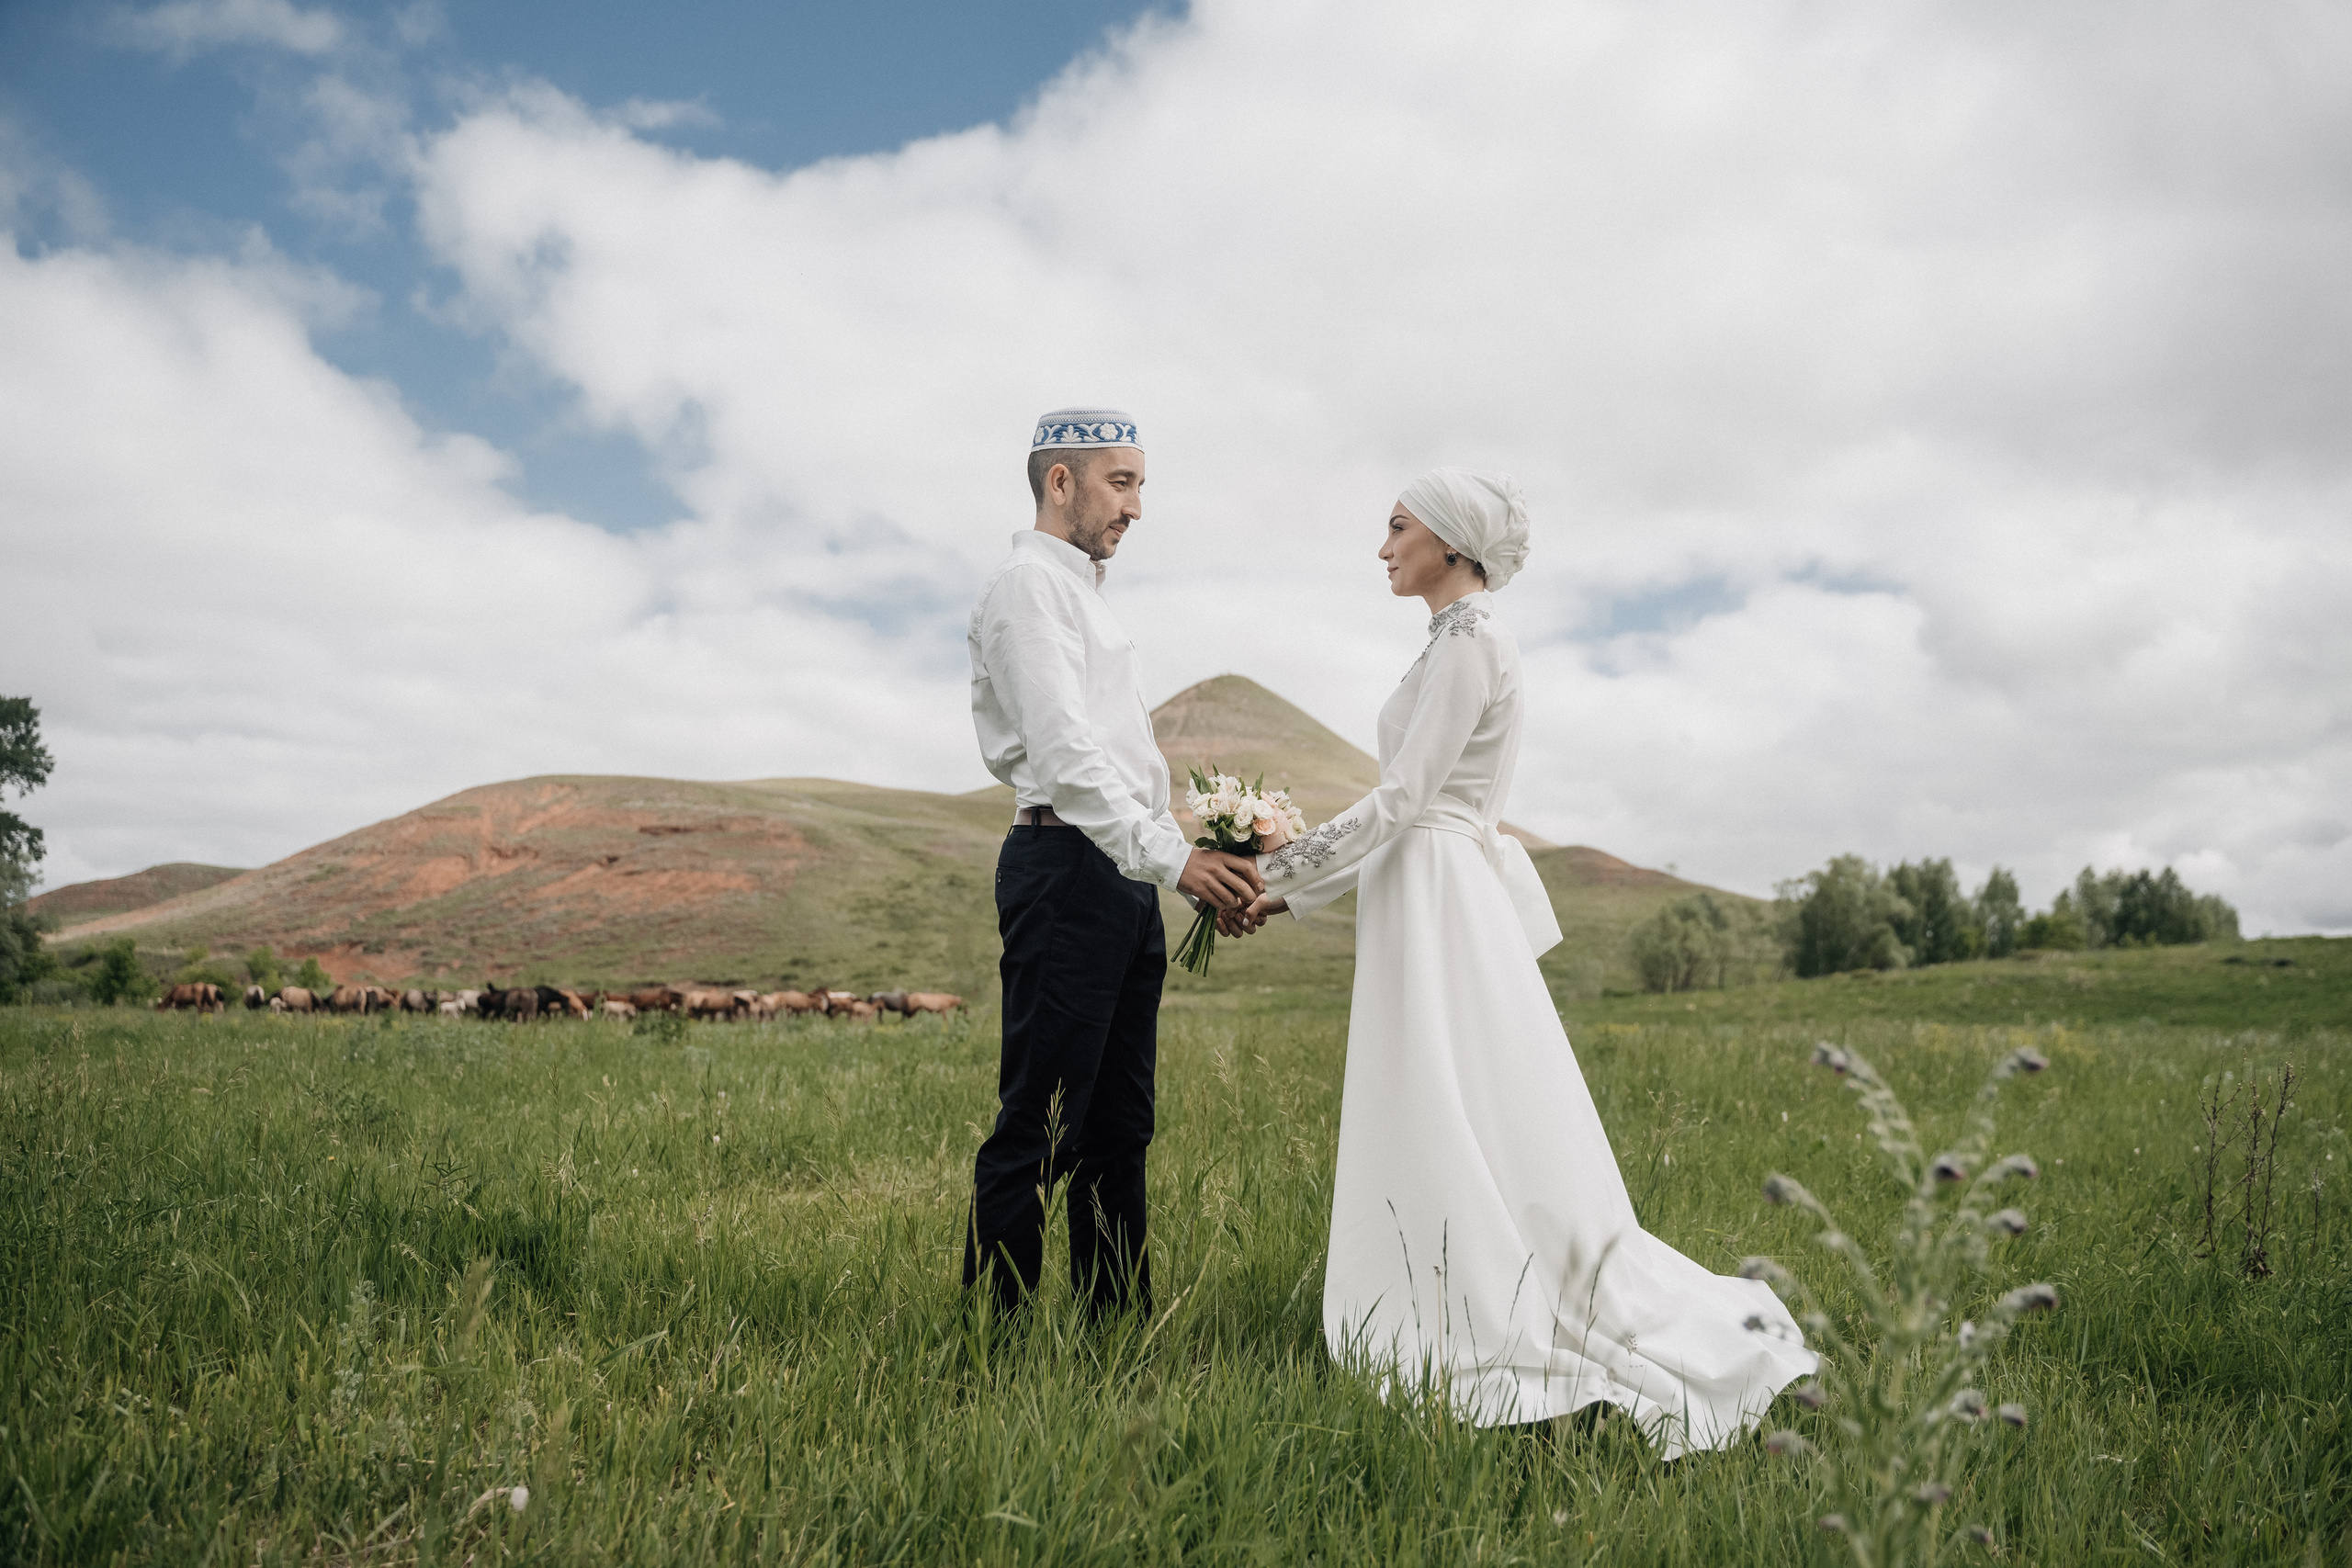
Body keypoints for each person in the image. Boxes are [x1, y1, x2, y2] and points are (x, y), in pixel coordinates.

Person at [1241, 468, 1816, 1454]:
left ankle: (1478, 1301)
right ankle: (1444, 1273)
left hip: (1435, 893)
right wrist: (1294, 888)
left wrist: (1275, 872)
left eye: (1396, 528)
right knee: (1446, 1092)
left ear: (1452, 545)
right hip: (1420, 886)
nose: (1381, 548)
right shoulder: (1454, 644)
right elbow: (1407, 808)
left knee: (1444, 1088)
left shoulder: (1472, 643)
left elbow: (1406, 799)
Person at [964, 407, 1264, 1319]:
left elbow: (1116, 765)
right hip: (1065, 869)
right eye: (1121, 483)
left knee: (1117, 1127)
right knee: (1041, 1119)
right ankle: (994, 1344)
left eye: (1139, 485)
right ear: (1062, 483)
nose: (1135, 506)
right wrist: (1174, 861)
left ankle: (1113, 1335)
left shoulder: (1085, 598)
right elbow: (1062, 759)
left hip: (1120, 878)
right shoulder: (1027, 588)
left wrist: (1188, 852)